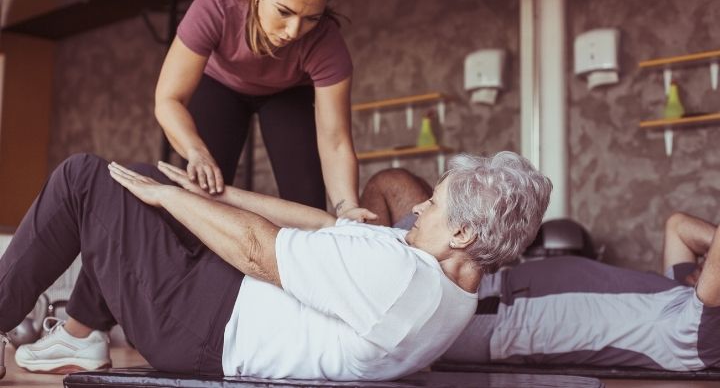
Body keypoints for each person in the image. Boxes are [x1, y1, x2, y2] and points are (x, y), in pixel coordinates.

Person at [0, 151, 552, 380]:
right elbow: (323, 224)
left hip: (202, 328)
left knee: (85, 178)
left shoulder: (399, 279)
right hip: (222, 302)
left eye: (434, 204)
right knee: (139, 177)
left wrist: (170, 200)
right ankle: (81, 335)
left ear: (463, 232)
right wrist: (209, 192)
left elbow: (258, 252)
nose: (421, 207)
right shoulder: (442, 277)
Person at [155, 0, 375, 223]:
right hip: (219, 83)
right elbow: (169, 99)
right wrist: (194, 150)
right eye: (284, 11)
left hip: (288, 92)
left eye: (311, 18)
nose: (293, 31)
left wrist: (347, 208)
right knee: (203, 192)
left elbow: (336, 141)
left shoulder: (325, 42)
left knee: (307, 204)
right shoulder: (217, 4)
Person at [440, 211, 720, 372]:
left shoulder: (698, 337)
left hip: (498, 317)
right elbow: (678, 226)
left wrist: (711, 264)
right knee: (400, 187)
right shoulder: (686, 297)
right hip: (494, 283)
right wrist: (709, 270)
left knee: (399, 189)